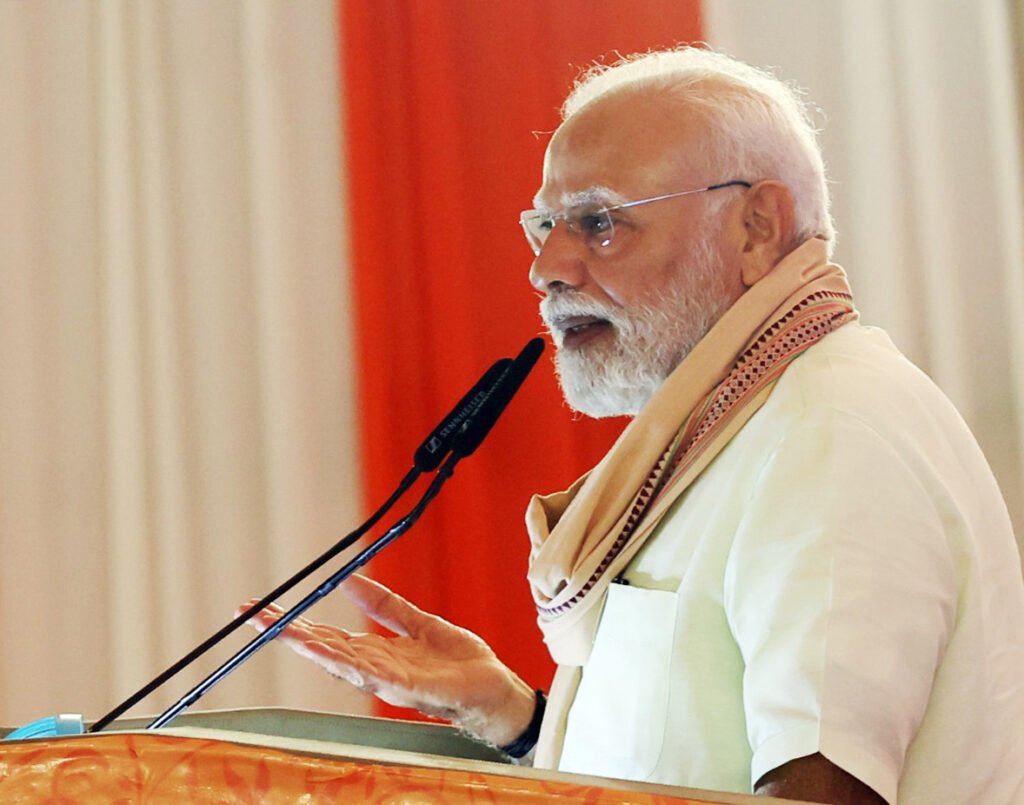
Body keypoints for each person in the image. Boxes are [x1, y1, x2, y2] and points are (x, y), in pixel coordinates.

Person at [246, 48, 1024, 804]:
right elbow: (698, 763)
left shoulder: (830, 431)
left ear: (756, 227)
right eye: (545, 224)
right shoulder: (732, 432)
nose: (546, 266)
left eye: (599, 221)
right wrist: (519, 723)